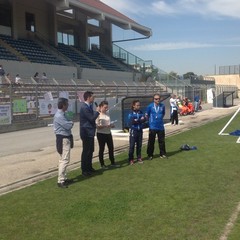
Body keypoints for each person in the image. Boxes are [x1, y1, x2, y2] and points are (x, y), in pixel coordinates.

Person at [53, 98, 74, 188]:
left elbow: (68, 122)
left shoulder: (63, 114)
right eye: (67, 104)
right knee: (64, 160)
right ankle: (61, 180)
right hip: (63, 138)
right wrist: (71, 123)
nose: (68, 106)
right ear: (63, 105)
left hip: (65, 138)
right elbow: (68, 125)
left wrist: (70, 122)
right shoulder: (59, 116)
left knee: (63, 159)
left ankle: (64, 177)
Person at [79, 91, 99, 176]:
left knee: (91, 150)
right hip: (86, 132)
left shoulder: (89, 106)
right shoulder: (84, 107)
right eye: (92, 97)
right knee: (86, 151)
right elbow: (91, 118)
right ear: (88, 97)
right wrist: (97, 112)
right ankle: (84, 170)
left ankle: (89, 167)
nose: (93, 98)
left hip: (90, 131)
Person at [96, 100, 119, 169]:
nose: (106, 109)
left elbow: (109, 123)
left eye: (107, 107)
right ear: (101, 107)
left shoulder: (107, 114)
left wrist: (111, 125)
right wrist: (105, 126)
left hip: (108, 133)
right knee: (102, 149)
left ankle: (112, 162)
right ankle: (102, 164)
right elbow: (97, 127)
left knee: (111, 148)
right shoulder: (98, 115)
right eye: (105, 107)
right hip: (101, 134)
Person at [146, 93, 167, 159]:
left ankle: (162, 153)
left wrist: (159, 119)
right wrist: (150, 122)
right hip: (153, 126)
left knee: (162, 141)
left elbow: (163, 113)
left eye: (158, 99)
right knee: (151, 141)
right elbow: (147, 115)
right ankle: (150, 155)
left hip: (160, 126)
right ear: (153, 100)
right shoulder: (150, 106)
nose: (157, 100)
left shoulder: (162, 106)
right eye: (156, 99)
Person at [128, 100, 146, 165]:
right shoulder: (131, 113)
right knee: (132, 146)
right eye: (137, 105)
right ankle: (131, 159)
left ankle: (139, 157)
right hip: (134, 131)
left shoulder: (141, 112)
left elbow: (144, 119)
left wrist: (138, 120)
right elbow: (131, 122)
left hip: (140, 131)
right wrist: (140, 120)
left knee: (139, 145)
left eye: (139, 105)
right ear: (133, 106)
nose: (139, 106)